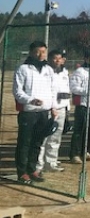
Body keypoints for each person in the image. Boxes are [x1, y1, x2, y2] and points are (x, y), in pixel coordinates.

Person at [13, 41, 57, 184]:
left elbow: (53, 90)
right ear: (31, 52)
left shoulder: (48, 70)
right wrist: (31, 100)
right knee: (24, 143)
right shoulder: (23, 69)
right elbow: (17, 92)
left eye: (43, 52)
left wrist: (53, 107)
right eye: (38, 52)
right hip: (29, 112)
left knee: (37, 142)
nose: (41, 55)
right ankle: (22, 172)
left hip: (44, 112)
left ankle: (32, 170)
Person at [37, 49, 69, 173]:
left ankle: (51, 162)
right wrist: (51, 105)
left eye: (59, 58)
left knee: (56, 137)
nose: (57, 61)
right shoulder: (44, 71)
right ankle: (39, 164)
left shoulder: (64, 72)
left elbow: (66, 89)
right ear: (49, 59)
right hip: (48, 109)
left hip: (61, 108)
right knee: (44, 137)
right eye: (54, 58)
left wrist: (67, 105)